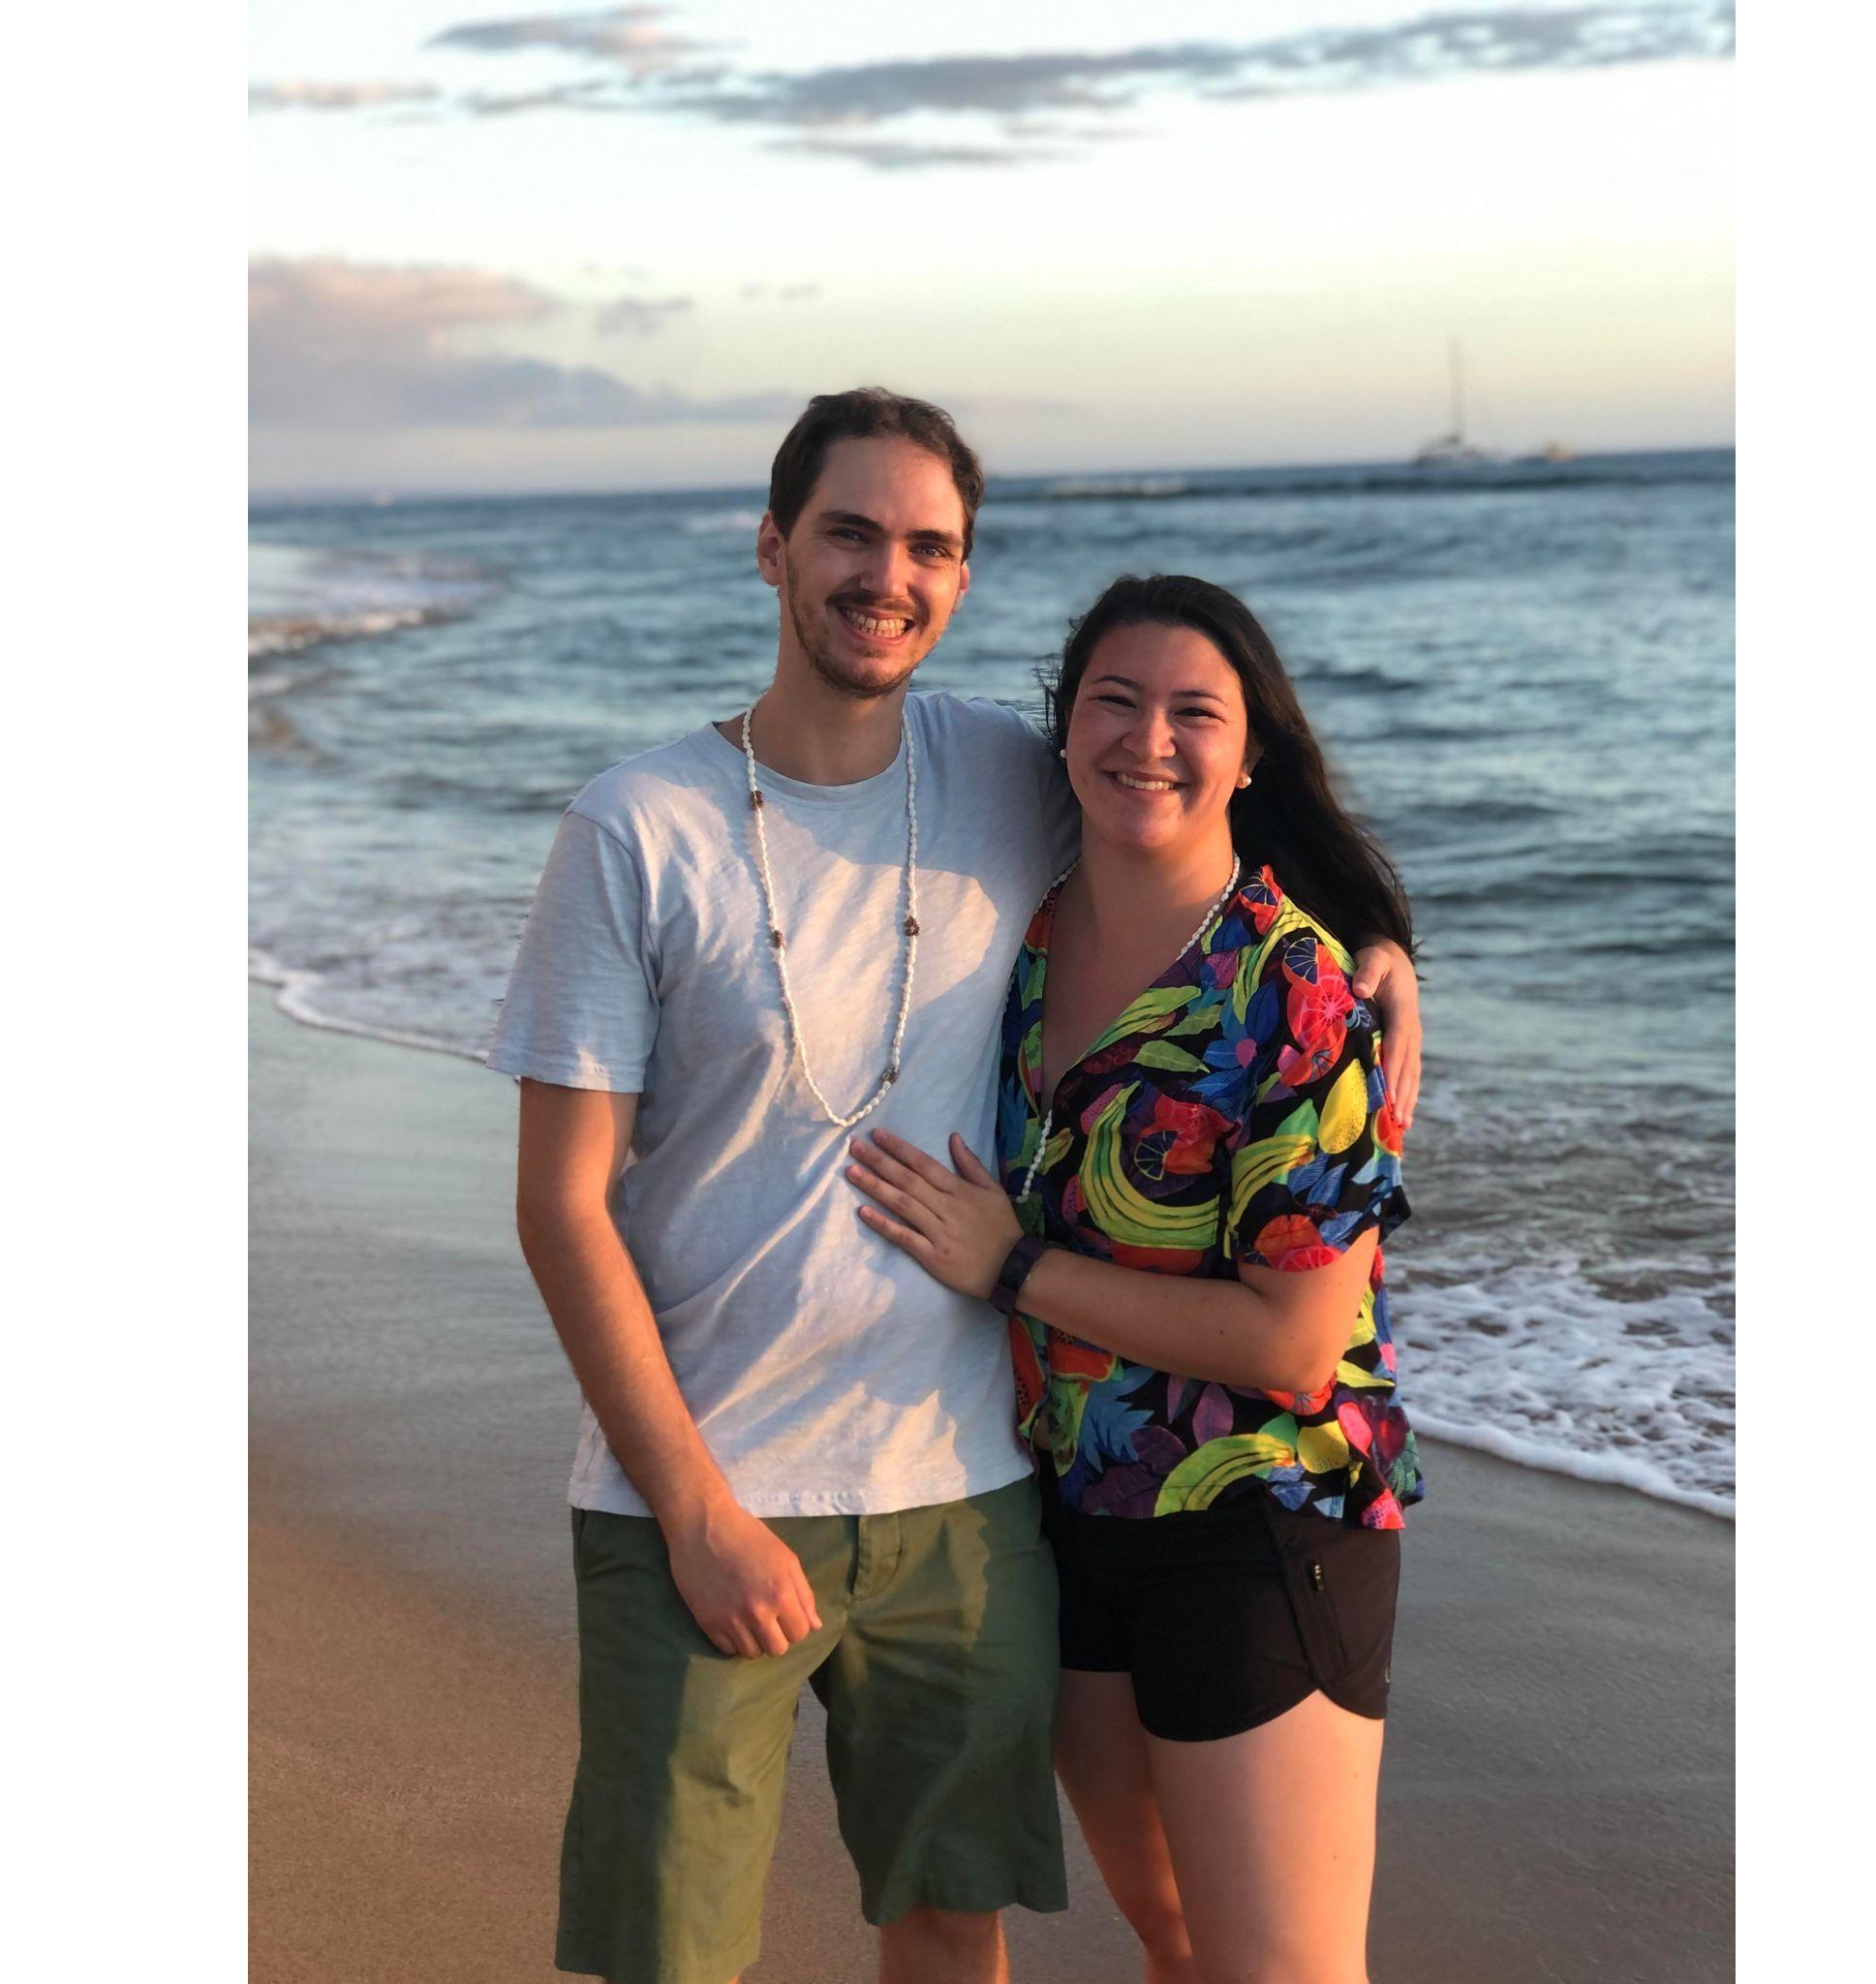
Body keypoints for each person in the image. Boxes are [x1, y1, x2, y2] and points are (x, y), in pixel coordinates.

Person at [490, 392, 1424, 1984]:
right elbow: (559, 1205)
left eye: (929, 545)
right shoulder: (638, 827)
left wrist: (1383, 955)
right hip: (712, 1488)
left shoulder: (1002, 771)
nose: (888, 575)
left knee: (953, 1921)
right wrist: (694, 1513)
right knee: (670, 1953)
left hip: (975, 1494)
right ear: (773, 546)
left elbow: (1209, 805)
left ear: (964, 578)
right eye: (849, 533)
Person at [845, 573, 1418, 1984]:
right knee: (1172, 1940)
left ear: (1251, 751)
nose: (1147, 739)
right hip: (1071, 1512)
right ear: (1064, 731)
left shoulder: (1296, 993)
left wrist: (1012, 1266)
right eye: (1114, 700)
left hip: (1264, 1516)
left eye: (1193, 713)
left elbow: (1294, 1342)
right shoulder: (1023, 945)